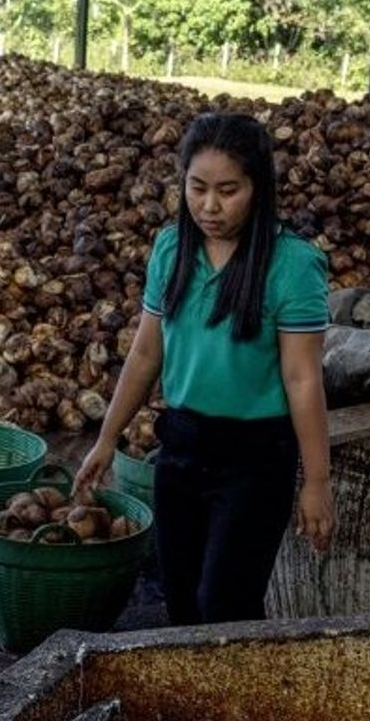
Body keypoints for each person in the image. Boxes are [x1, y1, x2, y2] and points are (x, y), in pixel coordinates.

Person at [75, 113, 334, 625]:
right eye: (198, 188)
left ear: (258, 187)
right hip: (183, 449)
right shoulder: (171, 249)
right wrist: (107, 438)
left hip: (256, 460)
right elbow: (147, 355)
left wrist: (317, 481)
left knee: (226, 604)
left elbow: (302, 379)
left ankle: (242, 704)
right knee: (182, 599)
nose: (210, 206)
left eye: (228, 190)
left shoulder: (293, 264)